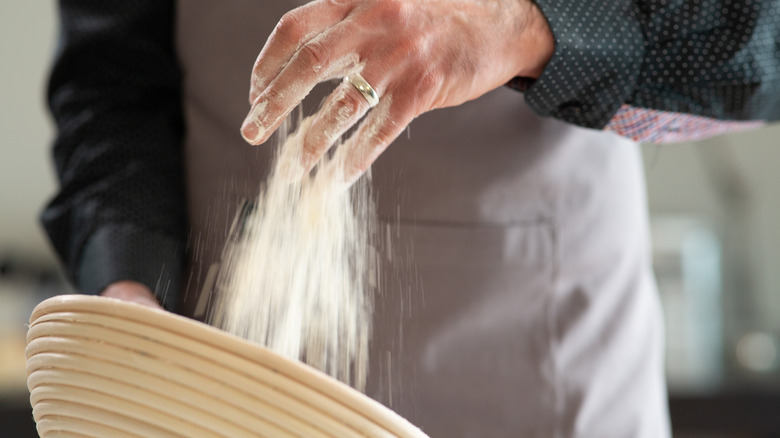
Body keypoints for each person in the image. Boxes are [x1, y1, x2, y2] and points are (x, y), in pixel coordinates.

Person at [43, 0, 779, 436]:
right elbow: (112, 79)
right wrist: (128, 290)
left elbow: (761, 33)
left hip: (542, 374)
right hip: (221, 375)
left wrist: (525, 22)